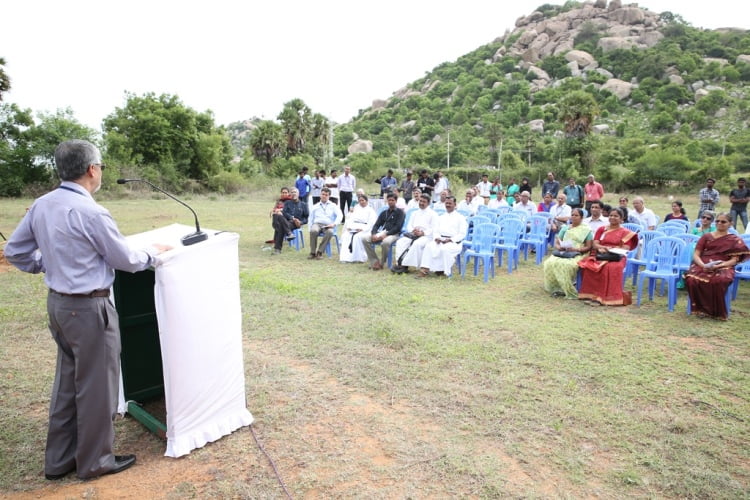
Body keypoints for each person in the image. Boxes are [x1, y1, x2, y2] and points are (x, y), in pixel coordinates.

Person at [4, 139, 171, 480]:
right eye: (102, 167)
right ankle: (95, 461)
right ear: (92, 169)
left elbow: (17, 252)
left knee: (67, 385)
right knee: (97, 388)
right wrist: (153, 253)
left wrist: (48, 265)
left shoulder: (42, 205)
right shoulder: (92, 212)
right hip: (89, 308)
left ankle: (59, 460)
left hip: (60, 306)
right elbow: (124, 259)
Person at [685, 213, 749, 319]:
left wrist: (719, 266)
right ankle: (699, 309)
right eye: (717, 221)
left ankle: (714, 312)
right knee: (692, 279)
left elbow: (734, 260)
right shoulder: (706, 237)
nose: (720, 223)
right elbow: (696, 254)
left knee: (719, 280)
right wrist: (703, 265)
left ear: (730, 224)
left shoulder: (734, 240)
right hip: (703, 264)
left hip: (724, 266)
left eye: (723, 222)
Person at [577, 207, 638, 306]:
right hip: (601, 254)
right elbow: (595, 244)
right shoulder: (602, 229)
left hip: (617, 257)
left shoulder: (625, 233)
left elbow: (625, 248)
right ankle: (591, 295)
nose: (613, 217)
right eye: (611, 215)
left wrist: (612, 250)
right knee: (589, 266)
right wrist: (602, 248)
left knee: (610, 268)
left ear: (622, 219)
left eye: (616, 216)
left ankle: (604, 298)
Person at [543, 208, 593, 298]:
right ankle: (556, 287)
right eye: (572, 215)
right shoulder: (565, 228)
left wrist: (576, 249)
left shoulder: (586, 230)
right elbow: (557, 242)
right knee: (549, 262)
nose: (573, 217)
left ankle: (567, 288)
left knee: (567, 265)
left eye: (576, 215)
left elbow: (588, 247)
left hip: (578, 253)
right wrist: (559, 247)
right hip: (563, 252)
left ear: (581, 218)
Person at [416, 196, 468, 278]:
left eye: (450, 203)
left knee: (444, 249)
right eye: (446, 203)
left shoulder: (461, 218)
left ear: (455, 204)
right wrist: (437, 237)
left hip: (454, 242)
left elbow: (462, 234)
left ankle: (442, 271)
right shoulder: (441, 217)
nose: (448, 205)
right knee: (429, 246)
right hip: (440, 239)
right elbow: (435, 230)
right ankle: (424, 270)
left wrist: (450, 240)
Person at [392, 194, 439, 273]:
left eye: (424, 202)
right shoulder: (415, 213)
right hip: (413, 234)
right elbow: (409, 225)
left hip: (427, 236)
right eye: (420, 201)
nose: (421, 203)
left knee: (417, 244)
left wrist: (422, 233)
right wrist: (413, 230)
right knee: (401, 242)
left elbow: (434, 228)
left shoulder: (433, 214)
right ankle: (400, 263)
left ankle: (407, 265)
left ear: (428, 203)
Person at [361, 193, 405, 270]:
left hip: (394, 234)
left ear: (396, 201)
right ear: (387, 201)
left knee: (385, 242)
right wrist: (373, 234)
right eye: (389, 200)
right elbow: (376, 225)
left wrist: (386, 234)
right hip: (382, 233)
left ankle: (381, 263)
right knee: (364, 238)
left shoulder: (400, 213)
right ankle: (375, 261)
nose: (391, 202)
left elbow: (398, 227)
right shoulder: (384, 213)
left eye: (392, 200)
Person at [339, 195, 377, 263]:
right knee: (346, 236)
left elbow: (371, 223)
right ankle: (346, 258)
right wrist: (349, 227)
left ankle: (359, 258)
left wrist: (363, 229)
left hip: (365, 228)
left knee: (357, 237)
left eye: (363, 200)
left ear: (366, 201)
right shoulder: (356, 208)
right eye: (360, 201)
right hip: (354, 226)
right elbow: (351, 219)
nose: (361, 202)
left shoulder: (370, 210)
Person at [308, 188, 342, 259]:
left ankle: (320, 252)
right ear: (320, 195)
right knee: (313, 231)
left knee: (330, 232)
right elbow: (310, 218)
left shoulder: (333, 206)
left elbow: (340, 215)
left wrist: (334, 224)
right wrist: (309, 228)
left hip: (328, 225)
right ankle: (312, 252)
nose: (324, 196)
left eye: (326, 195)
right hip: (317, 224)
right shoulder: (315, 206)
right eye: (323, 194)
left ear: (329, 196)